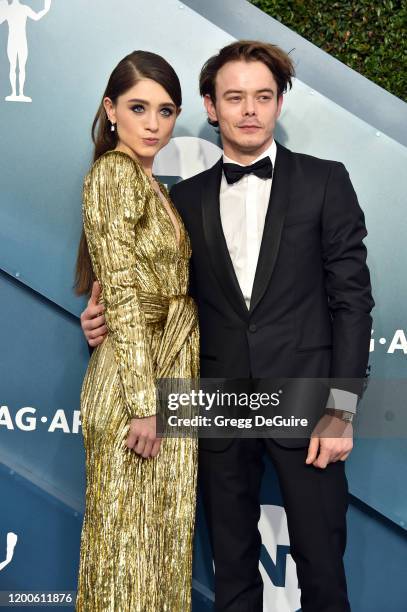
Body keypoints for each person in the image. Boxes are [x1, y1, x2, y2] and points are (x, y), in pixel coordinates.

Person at [81, 41, 374, 612]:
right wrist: (102, 318)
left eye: (263, 97)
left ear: (279, 104)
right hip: (213, 408)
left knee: (322, 574)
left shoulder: (325, 182)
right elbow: (153, 290)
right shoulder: (181, 199)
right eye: (234, 97)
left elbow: (354, 303)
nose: (249, 110)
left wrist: (342, 409)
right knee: (232, 578)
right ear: (211, 108)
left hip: (308, 406)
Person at [74, 50, 199, 612]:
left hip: (165, 379)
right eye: (138, 107)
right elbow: (122, 292)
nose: (154, 124)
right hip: (136, 396)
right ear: (111, 109)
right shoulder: (114, 173)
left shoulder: (156, 188)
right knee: (124, 559)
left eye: (166, 110)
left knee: (159, 554)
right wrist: (146, 404)